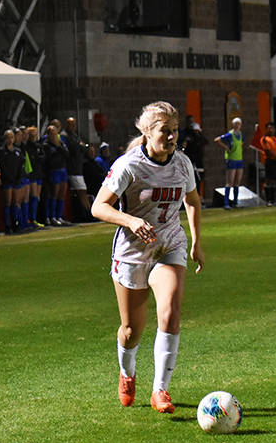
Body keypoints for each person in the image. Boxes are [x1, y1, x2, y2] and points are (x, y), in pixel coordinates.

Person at [90, 101, 204, 414]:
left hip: (169, 246)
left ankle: (161, 390)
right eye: (164, 131)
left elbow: (193, 200)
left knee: (170, 311)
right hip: (132, 252)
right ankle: (127, 374)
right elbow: (98, 207)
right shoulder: (129, 165)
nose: (171, 137)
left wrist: (195, 241)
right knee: (131, 330)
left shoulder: (182, 164)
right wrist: (131, 220)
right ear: (146, 132)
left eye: (175, 131)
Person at [62, 116, 92, 220]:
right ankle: (88, 213)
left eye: (74, 124)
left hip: (78, 168)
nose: (73, 126)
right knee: (81, 191)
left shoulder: (75, 136)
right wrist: (79, 146)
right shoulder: (64, 136)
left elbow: (83, 148)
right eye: (71, 124)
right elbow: (73, 149)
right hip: (73, 169)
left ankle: (88, 212)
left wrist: (80, 146)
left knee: (83, 191)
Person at [0, 129, 27, 233]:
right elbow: (3, 166)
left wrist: (19, 177)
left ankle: (16, 223)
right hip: (7, 180)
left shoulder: (18, 151)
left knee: (16, 202)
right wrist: (9, 177)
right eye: (8, 138)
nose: (10, 140)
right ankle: (7, 224)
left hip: (16, 180)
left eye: (12, 137)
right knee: (8, 202)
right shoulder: (2, 151)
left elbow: (20, 166)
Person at [215, 117, 245, 208]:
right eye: (236, 124)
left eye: (238, 124)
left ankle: (235, 202)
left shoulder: (241, 134)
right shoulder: (230, 134)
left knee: (237, 182)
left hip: (239, 159)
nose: (237, 125)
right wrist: (226, 148)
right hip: (231, 159)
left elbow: (241, 144)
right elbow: (217, 140)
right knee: (230, 182)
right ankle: (226, 203)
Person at [43, 122, 70, 225]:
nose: (54, 135)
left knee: (61, 194)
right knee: (54, 194)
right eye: (52, 133)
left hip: (62, 169)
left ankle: (59, 216)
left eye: (55, 133)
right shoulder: (46, 145)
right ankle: (51, 216)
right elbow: (49, 159)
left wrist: (58, 146)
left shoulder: (61, 143)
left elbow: (66, 154)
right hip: (53, 171)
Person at [178, 115, 207, 196]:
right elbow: (183, 145)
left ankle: (199, 196)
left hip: (198, 160)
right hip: (189, 159)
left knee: (199, 178)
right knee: (190, 179)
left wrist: (199, 133)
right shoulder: (185, 134)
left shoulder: (198, 137)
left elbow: (205, 142)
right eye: (189, 121)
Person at [24, 126, 46, 230]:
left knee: (36, 197)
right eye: (31, 135)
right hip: (31, 174)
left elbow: (43, 157)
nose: (33, 137)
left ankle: (34, 218)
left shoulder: (38, 146)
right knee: (32, 196)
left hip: (39, 173)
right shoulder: (26, 146)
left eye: (35, 134)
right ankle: (30, 219)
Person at [256, 122, 276, 206]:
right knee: (269, 180)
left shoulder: (275, 139)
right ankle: (269, 200)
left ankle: (274, 199)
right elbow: (268, 151)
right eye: (269, 128)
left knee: (275, 180)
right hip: (269, 161)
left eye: (272, 128)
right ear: (266, 129)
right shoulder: (265, 139)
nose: (271, 130)